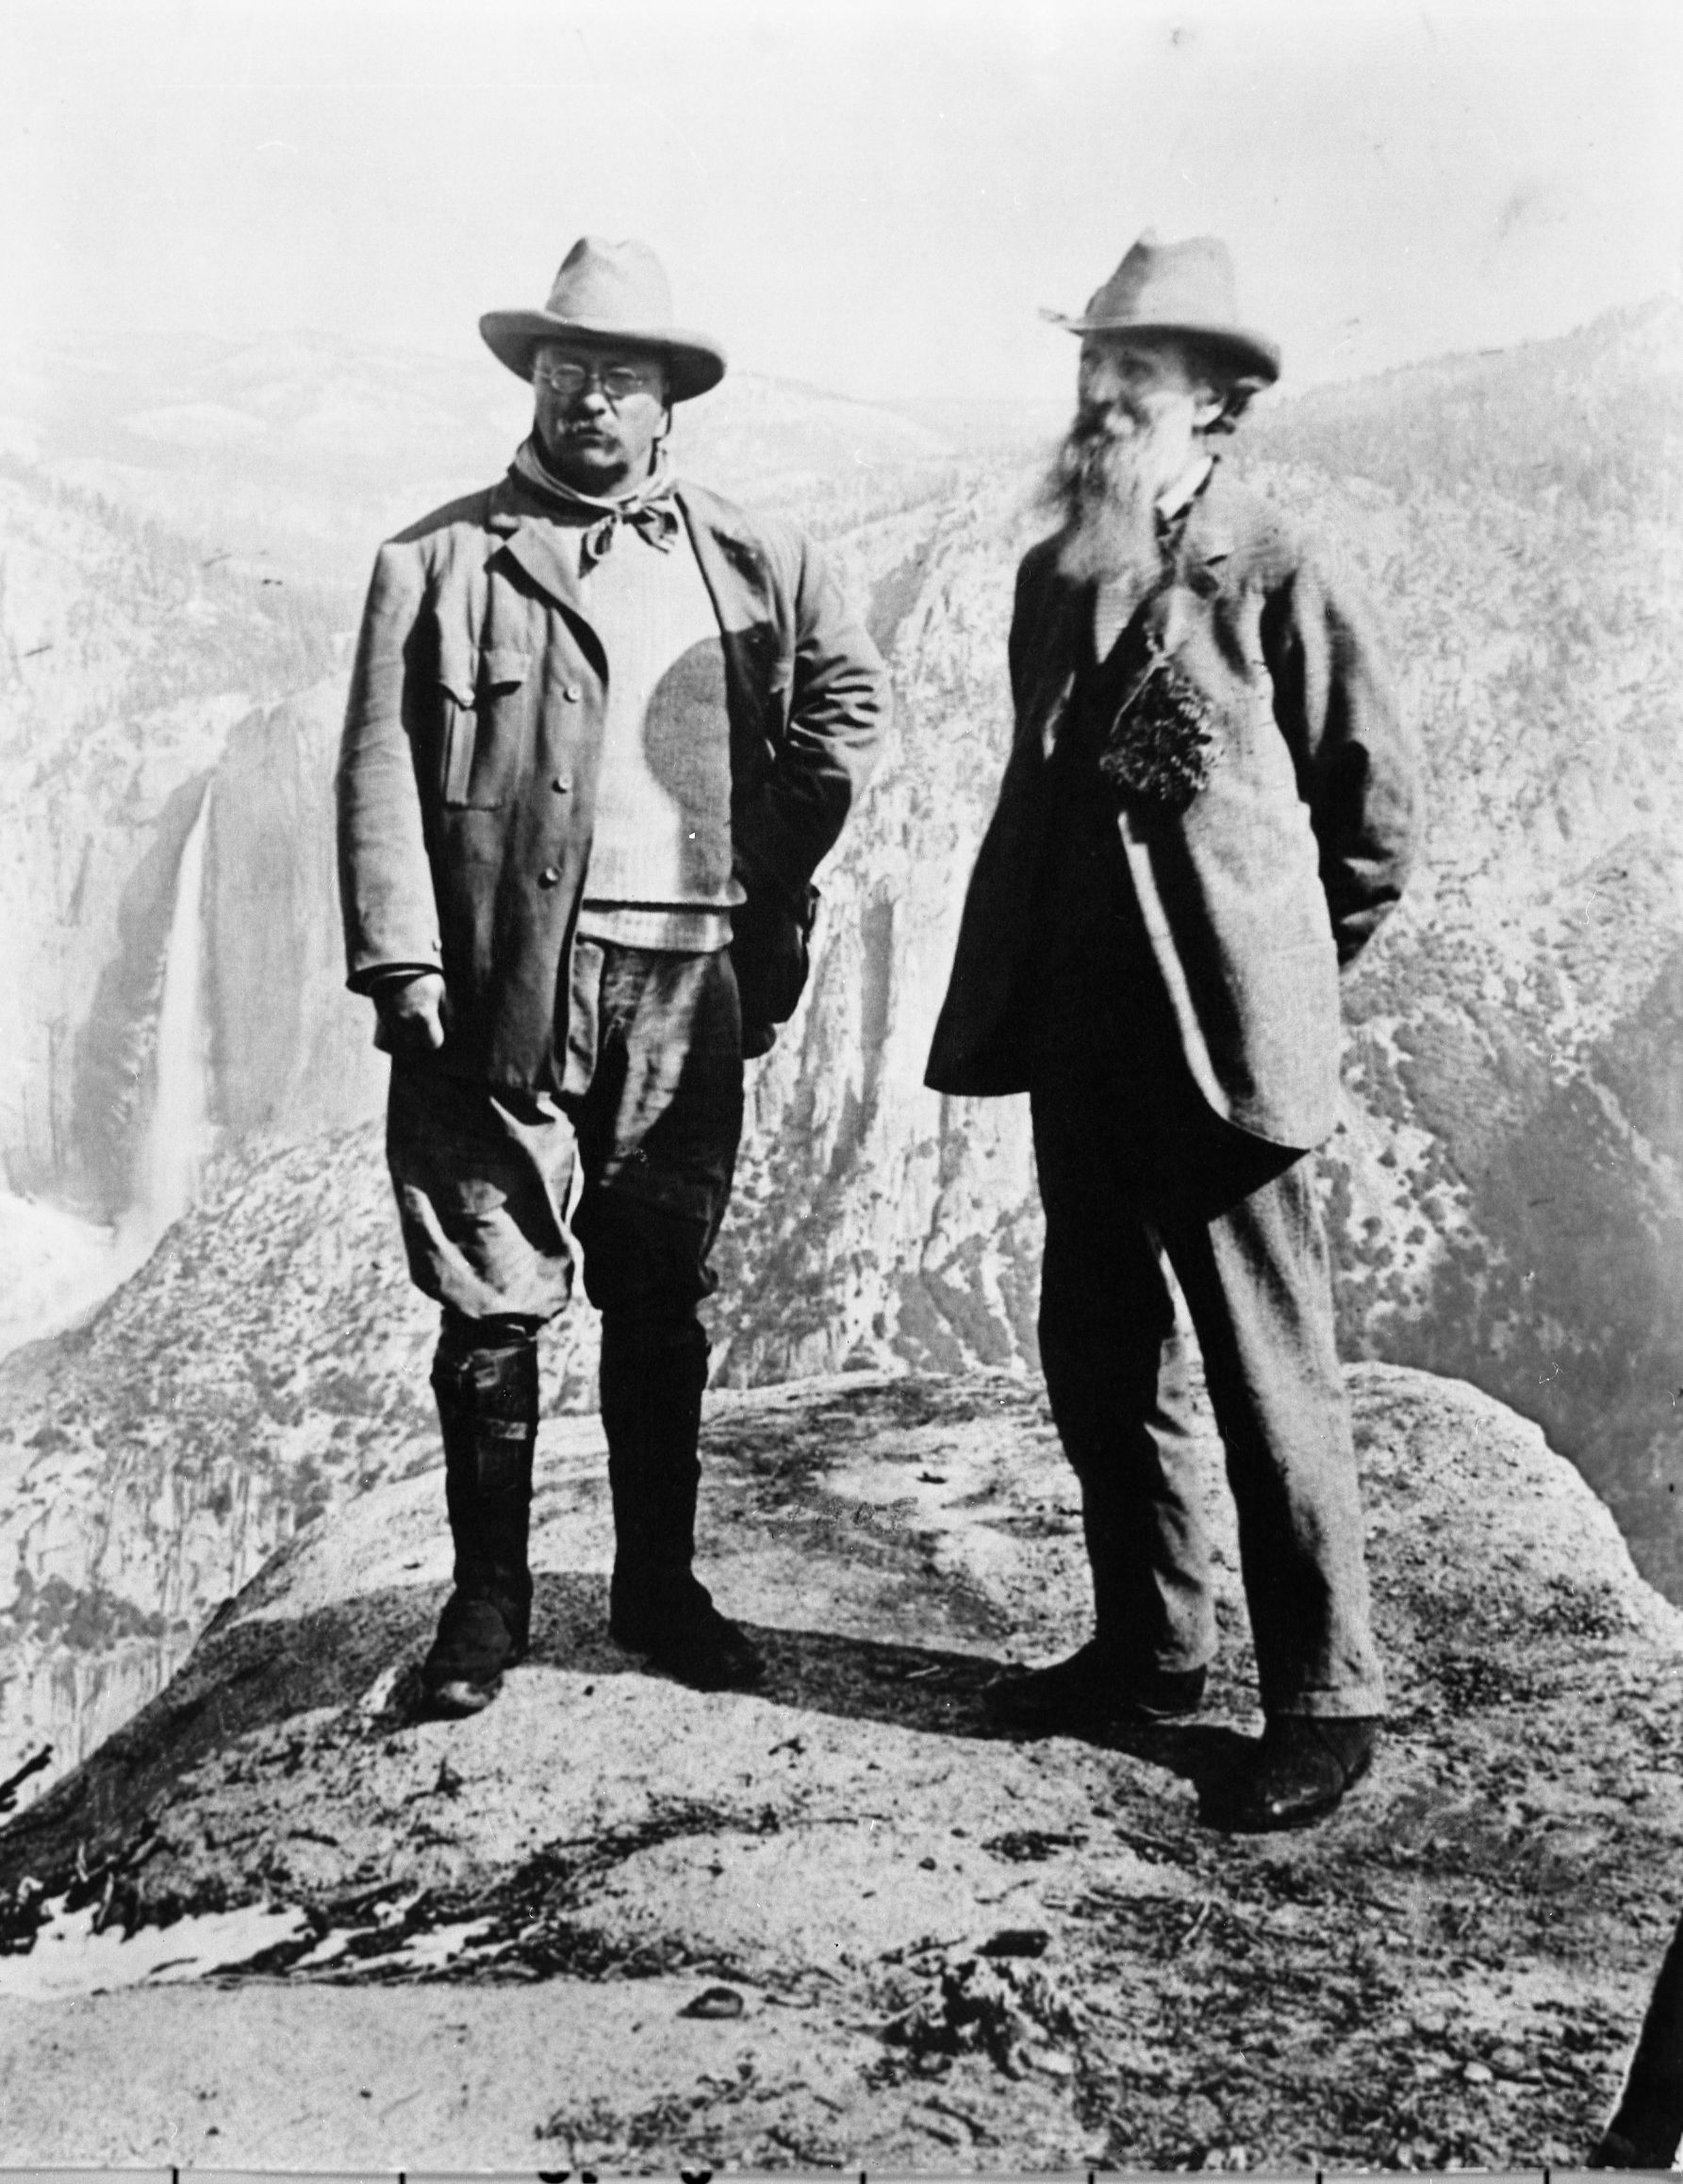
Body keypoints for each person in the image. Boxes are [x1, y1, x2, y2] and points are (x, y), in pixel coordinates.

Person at [338, 237, 887, 1715]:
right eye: (568, 371)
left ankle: (658, 1589)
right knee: (489, 1290)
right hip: (500, 977)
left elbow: (846, 702)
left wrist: (762, 853)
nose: (590, 399)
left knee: (660, 1290)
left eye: (621, 379)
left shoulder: (751, 555)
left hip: (688, 971)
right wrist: (401, 956)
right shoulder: (437, 563)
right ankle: (487, 1609)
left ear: (666, 407)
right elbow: (381, 767)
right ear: (535, 384)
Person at [926, 233, 1422, 1829]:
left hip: (1221, 1050)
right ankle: (1146, 1652)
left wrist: (1272, 971)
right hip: (1080, 1033)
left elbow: (1371, 823)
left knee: (1266, 1368)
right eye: (1091, 363)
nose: (1096, 391)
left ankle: (1324, 1701)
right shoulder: (1053, 567)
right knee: (1098, 1353)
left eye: (1131, 369)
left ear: (1215, 399)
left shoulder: (1275, 563)